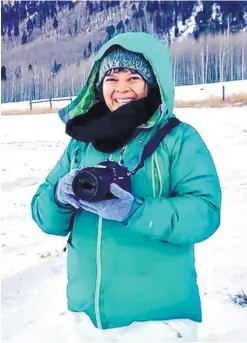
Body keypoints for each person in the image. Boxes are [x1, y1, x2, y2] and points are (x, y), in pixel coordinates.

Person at [31, 32, 221, 342]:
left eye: (133, 77)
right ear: (99, 85)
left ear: (152, 83)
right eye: (112, 78)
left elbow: (205, 212)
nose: (122, 88)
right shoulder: (82, 143)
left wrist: (135, 211)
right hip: (87, 318)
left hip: (157, 321)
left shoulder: (179, 139)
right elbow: (45, 218)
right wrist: (59, 197)